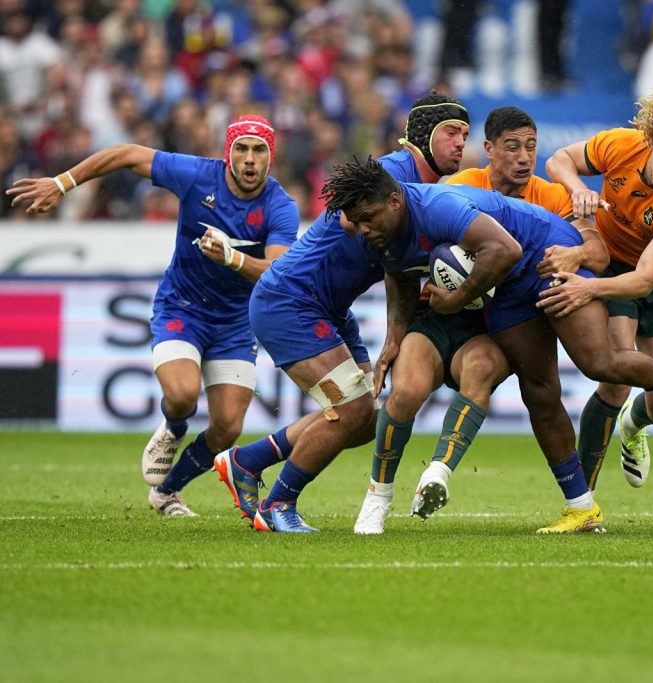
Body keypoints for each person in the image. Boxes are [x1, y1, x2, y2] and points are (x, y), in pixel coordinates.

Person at [323, 156, 653, 533]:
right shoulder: (379, 230)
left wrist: (459, 298)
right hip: (508, 286)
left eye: (367, 220)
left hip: (546, 254)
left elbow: (506, 249)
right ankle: (581, 507)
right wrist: (394, 337)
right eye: (358, 223)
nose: (363, 230)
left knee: (598, 362)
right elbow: (399, 273)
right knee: (539, 391)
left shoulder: (438, 206)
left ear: (394, 201)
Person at [6, 114, 299, 517]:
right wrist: (61, 183)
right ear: (227, 153)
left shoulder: (280, 206)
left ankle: (167, 491)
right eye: (242, 149)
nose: (250, 159)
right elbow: (125, 154)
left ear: (271, 156)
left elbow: (277, 272)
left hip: (235, 322)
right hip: (182, 308)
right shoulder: (197, 175)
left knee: (228, 426)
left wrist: (231, 257)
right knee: (180, 396)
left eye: (259, 150)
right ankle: (174, 428)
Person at [211, 93, 471, 532]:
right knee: (349, 410)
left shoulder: (422, 190)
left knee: (367, 417)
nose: (461, 144)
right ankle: (277, 505)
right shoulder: (390, 173)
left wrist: (394, 336)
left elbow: (398, 266)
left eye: (465, 134)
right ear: (423, 137)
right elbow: (356, 225)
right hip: (291, 299)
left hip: (329, 308)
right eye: (451, 133)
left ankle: (247, 461)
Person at [354, 105, 610, 535]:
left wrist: (577, 252)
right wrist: (398, 333)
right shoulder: (459, 189)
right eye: (513, 147)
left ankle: (446, 473)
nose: (524, 157)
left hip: (496, 320)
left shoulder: (552, 197)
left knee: (543, 390)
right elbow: (403, 263)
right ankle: (376, 499)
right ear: (490, 151)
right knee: (406, 392)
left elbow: (599, 256)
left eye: (531, 146)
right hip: (446, 316)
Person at [541, 83, 653, 494]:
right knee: (616, 375)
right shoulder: (623, 145)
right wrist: (578, 188)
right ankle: (583, 500)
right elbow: (558, 159)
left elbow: (645, 279)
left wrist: (588, 291)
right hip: (611, 261)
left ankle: (633, 424)